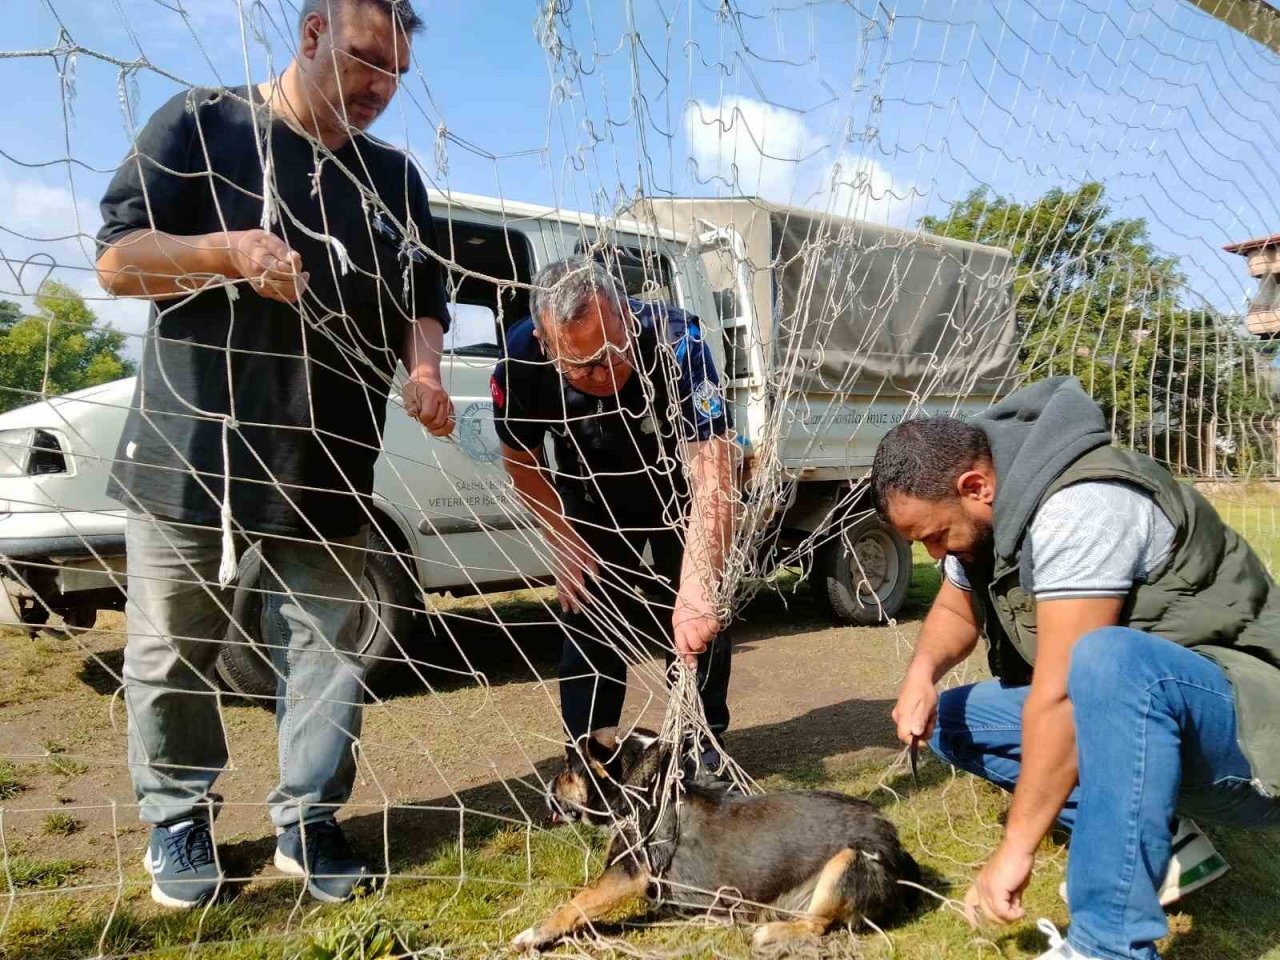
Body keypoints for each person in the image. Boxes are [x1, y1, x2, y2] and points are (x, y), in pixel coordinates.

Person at [94, 0, 453, 909]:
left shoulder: (393, 179)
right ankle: (177, 817)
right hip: (193, 450)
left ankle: (308, 819)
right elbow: (116, 262)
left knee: (332, 651)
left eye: (396, 73)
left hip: (328, 457)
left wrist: (426, 372)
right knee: (172, 648)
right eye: (367, 60)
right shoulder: (202, 124)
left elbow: (423, 300)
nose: (381, 87)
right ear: (310, 36)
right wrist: (223, 252)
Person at [871, 376, 1280, 960]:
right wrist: (921, 676)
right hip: (1146, 712)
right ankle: (1163, 839)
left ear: (975, 486)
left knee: (1110, 661)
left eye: (936, 537)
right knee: (951, 718)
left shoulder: (1081, 506)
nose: (936, 555)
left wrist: (1017, 845)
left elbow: (1062, 696)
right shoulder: (990, 512)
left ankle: (1108, 945)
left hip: (1253, 727)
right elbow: (954, 606)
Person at [491, 258, 735, 767]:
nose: (603, 375)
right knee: (587, 617)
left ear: (627, 315)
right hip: (589, 495)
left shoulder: (679, 343)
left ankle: (700, 744)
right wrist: (562, 538)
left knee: (698, 614)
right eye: (582, 366)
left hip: (681, 491)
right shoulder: (520, 360)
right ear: (545, 342)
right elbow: (521, 460)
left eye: (613, 353)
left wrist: (696, 582)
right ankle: (589, 762)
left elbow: (714, 472)